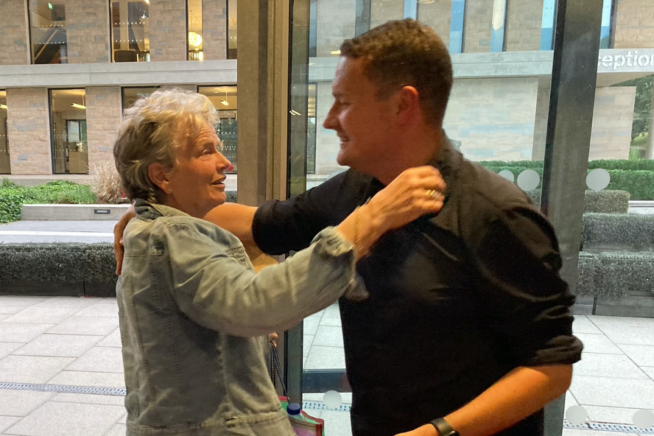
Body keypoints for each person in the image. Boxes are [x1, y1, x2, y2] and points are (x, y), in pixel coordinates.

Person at [115, 20, 583, 436]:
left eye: (343, 103)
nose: (331, 121)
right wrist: (153, 215)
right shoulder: (354, 194)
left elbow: (551, 366)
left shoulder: (496, 212)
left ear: (402, 105)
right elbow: (264, 223)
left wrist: (439, 432)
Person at [112, 88, 445, 436]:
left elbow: (257, 248)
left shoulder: (157, 232)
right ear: (161, 176)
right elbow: (256, 301)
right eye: (206, 150)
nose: (226, 163)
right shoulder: (167, 237)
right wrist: (373, 217)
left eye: (344, 101)